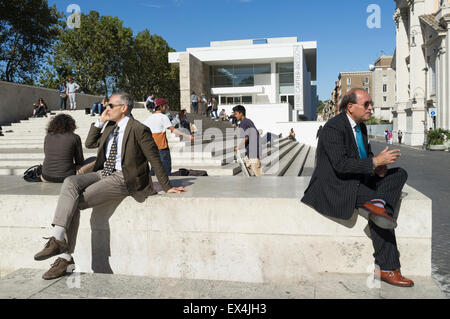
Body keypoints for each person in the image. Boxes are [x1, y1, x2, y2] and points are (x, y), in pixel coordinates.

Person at [33, 92, 187, 280]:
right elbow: (90, 143)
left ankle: (65, 257)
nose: (107, 108)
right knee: (70, 182)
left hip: (124, 178)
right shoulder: (110, 126)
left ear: (124, 108)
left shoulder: (139, 129)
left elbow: (154, 157)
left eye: (110, 106)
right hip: (102, 172)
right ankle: (58, 239)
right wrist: (99, 122)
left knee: (76, 201)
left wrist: (167, 185)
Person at [301, 89, 414, 288]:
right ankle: (387, 268)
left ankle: (378, 203)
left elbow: (364, 157)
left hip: (359, 178)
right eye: (367, 104)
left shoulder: (360, 127)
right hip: (337, 184)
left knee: (400, 174)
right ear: (351, 107)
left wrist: (377, 168)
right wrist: (374, 161)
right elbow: (340, 165)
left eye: (371, 104)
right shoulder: (333, 128)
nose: (371, 108)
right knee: (382, 215)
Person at [143, 98, 194, 176]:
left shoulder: (149, 118)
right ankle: (168, 186)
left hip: (152, 148)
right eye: (165, 106)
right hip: (162, 148)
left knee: (154, 168)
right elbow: (173, 130)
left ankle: (152, 185)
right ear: (161, 106)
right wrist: (187, 135)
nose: (166, 108)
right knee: (166, 168)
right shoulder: (163, 117)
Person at [41, 114, 94, 183]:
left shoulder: (48, 136)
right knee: (95, 159)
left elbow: (47, 154)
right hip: (66, 177)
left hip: (45, 177)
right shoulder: (75, 137)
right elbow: (79, 161)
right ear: (71, 125)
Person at [233, 105, 263, 177]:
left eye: (236, 114)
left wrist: (238, 147)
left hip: (253, 153)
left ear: (241, 113)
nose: (235, 116)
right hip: (251, 151)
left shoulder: (243, 123)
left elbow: (247, 137)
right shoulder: (248, 121)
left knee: (257, 173)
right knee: (247, 168)